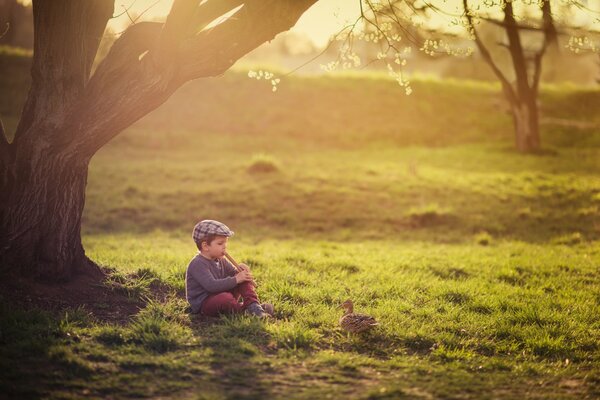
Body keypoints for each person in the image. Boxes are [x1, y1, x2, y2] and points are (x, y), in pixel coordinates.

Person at [185, 219, 273, 318]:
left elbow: (234, 274)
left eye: (225, 243)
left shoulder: (221, 259)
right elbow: (211, 286)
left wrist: (240, 271)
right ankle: (244, 312)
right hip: (205, 303)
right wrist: (236, 279)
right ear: (205, 246)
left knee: (242, 278)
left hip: (222, 293)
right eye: (220, 243)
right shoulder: (197, 264)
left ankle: (253, 306)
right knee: (225, 298)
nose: (224, 247)